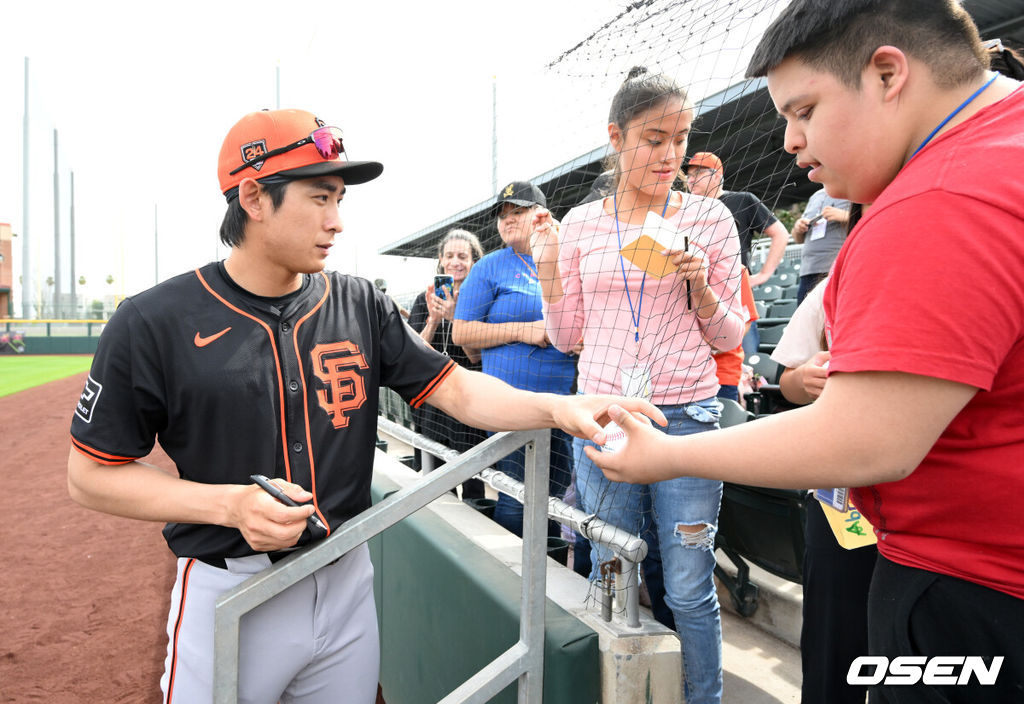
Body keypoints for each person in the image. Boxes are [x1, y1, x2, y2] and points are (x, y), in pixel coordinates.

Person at [66, 109, 664, 704]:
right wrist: (227, 504)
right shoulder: (152, 320)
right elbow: (90, 475)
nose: (337, 221)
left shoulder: (358, 302)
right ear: (253, 196)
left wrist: (559, 409)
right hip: (231, 587)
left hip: (348, 575)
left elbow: (453, 388)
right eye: (320, 197)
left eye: (340, 199)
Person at [586, 2, 1024, 702]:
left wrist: (665, 455)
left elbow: (866, 439)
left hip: (977, 591)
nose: (790, 141)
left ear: (888, 73)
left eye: (805, 110)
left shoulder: (942, 195)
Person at [530, 66, 745, 704]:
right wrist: (548, 267)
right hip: (606, 417)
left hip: (687, 417)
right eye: (654, 138)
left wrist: (700, 285)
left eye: (680, 138)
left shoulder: (710, 218)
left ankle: (701, 697)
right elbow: (567, 335)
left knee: (685, 585)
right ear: (616, 138)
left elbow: (730, 336)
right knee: (612, 569)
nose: (669, 154)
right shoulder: (581, 224)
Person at [451, 181, 578, 540]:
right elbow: (462, 334)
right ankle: (515, 582)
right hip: (510, 404)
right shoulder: (489, 267)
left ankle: (549, 579)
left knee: (556, 497)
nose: (507, 220)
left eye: (517, 212)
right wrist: (524, 331)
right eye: (503, 215)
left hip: (563, 404)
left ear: (541, 215)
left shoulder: (564, 258)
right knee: (516, 498)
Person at [684, 151, 790, 357]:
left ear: (716, 175)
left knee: (744, 359)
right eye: (689, 175)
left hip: (735, 289)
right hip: (698, 291)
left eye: (698, 173)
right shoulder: (687, 209)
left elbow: (780, 234)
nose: (691, 179)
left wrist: (763, 275)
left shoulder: (742, 200)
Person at [407, 228, 488, 497]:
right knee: (439, 478)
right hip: (435, 400)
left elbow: (475, 355)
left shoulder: (480, 299)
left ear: (474, 261)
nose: (456, 261)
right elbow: (414, 352)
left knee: (473, 476)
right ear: (441, 260)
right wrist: (433, 319)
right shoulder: (424, 299)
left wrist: (454, 316)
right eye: (450, 255)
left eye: (463, 256)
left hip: (469, 396)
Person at [789, 187, 850, 303]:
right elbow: (798, 239)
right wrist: (798, 228)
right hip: (808, 270)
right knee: (806, 319)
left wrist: (844, 215)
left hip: (836, 268)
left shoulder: (852, 186)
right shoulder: (815, 196)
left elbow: (871, 218)